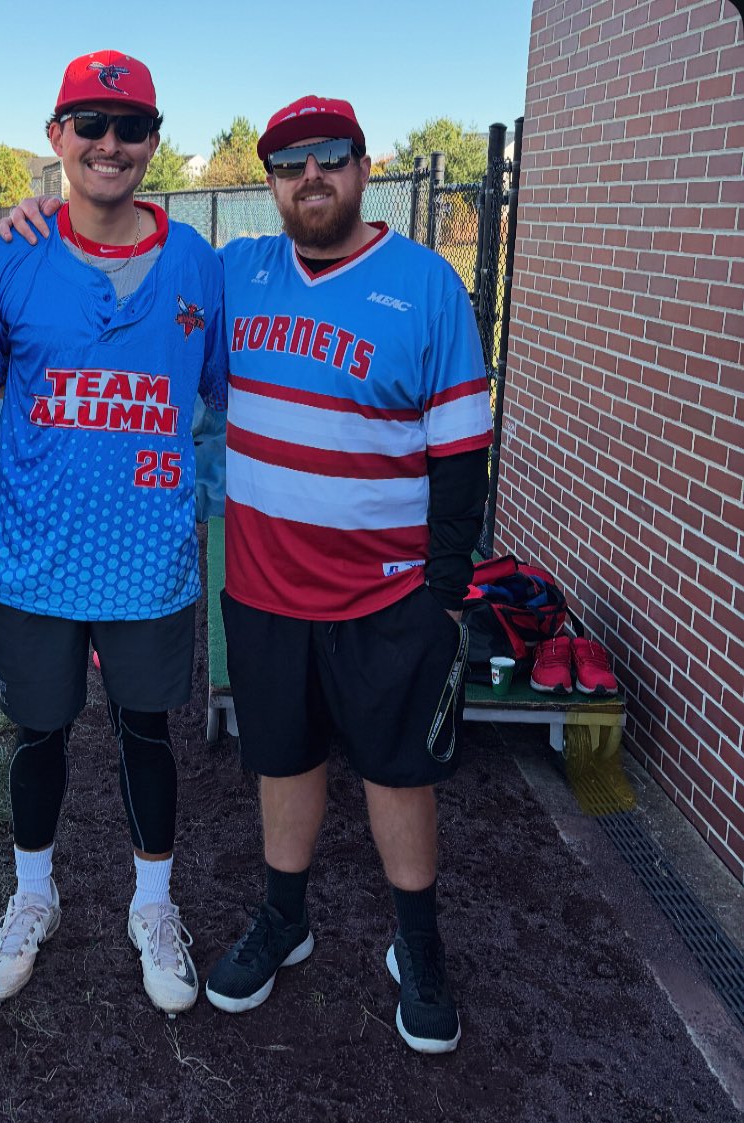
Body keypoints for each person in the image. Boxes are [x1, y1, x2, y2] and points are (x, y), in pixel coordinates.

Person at [201, 96, 492, 1053]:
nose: (311, 176)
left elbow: (461, 452)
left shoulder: (425, 285)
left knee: (399, 774)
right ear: (271, 184)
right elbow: (133, 247)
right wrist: (42, 214)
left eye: (330, 156)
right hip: (264, 588)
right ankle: (284, 918)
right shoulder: (239, 271)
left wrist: (443, 594)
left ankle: (420, 944)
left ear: (365, 169)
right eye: (289, 163)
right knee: (282, 761)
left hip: (386, 593)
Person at [0, 49, 227, 1017]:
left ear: (154, 141)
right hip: (33, 557)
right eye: (91, 124)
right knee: (39, 730)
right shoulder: (11, 256)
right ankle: (33, 895)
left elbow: (225, 395)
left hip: (147, 560)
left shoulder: (198, 264)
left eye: (131, 127)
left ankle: (152, 905)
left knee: (145, 729)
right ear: (58, 135)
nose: (110, 144)